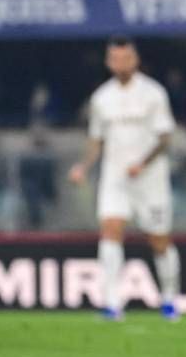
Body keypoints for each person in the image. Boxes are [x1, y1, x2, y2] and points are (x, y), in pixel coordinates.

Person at [69, 36, 180, 321]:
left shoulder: (154, 93)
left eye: (126, 58)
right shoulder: (101, 98)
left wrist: (142, 164)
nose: (121, 63)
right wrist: (83, 166)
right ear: (109, 62)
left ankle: (169, 299)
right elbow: (96, 139)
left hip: (150, 180)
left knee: (159, 240)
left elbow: (165, 138)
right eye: (115, 59)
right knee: (110, 230)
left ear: (136, 59)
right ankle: (111, 303)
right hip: (115, 179)